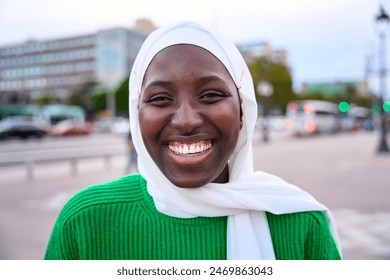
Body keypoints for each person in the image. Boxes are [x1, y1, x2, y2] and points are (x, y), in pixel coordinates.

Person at [44, 21, 342, 260]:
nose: (186, 121)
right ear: (137, 115)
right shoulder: (85, 222)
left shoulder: (299, 222)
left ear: (242, 110)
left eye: (210, 95)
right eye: (160, 98)